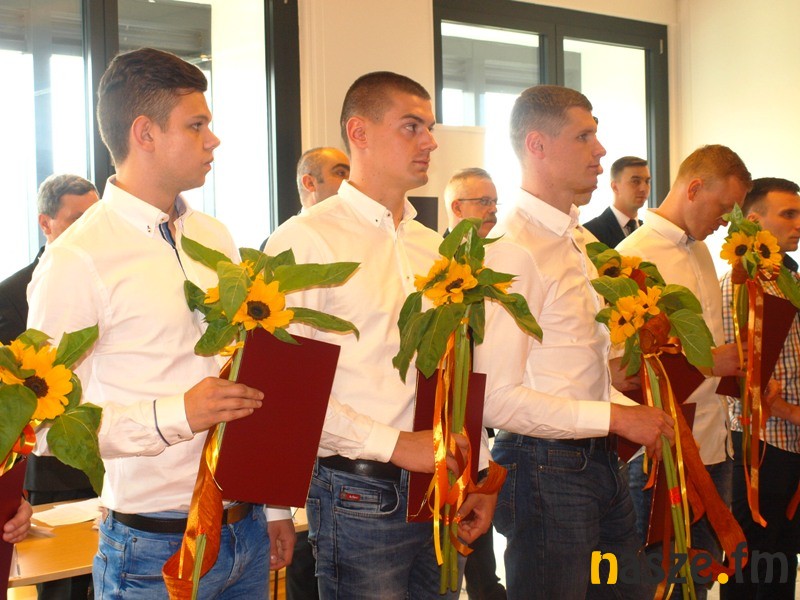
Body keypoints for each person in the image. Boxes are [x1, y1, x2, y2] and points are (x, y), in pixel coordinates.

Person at [27, 47, 294, 599]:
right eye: (196, 125)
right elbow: (49, 428)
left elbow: (243, 372)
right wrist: (177, 414)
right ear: (145, 133)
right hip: (153, 546)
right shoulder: (78, 259)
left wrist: (273, 507)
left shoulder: (215, 236)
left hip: (245, 527)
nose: (213, 140)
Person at [266, 71, 496, 599]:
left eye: (430, 128)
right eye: (411, 126)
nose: (430, 141)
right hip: (357, 491)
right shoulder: (306, 241)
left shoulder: (432, 246)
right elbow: (287, 392)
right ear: (360, 132)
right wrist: (396, 446)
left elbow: (457, 369)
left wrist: (479, 471)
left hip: (439, 488)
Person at [474, 84, 674, 600]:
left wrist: (629, 408)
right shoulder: (513, 249)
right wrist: (618, 418)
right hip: (543, 467)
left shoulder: (577, 240)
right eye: (583, 136)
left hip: (596, 460)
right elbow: (495, 399)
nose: (600, 150)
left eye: (596, 135)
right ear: (537, 145)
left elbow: (572, 369)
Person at [616, 144, 751, 599]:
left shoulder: (703, 252)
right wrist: (711, 361)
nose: (726, 222)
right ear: (693, 189)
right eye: (723, 208)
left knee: (701, 575)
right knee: (654, 582)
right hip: (661, 449)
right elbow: (626, 367)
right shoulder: (633, 256)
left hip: (714, 440)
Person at [0, 173, 98, 599]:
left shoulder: (110, 279)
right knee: (65, 591)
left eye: (95, 217)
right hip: (54, 468)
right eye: (77, 219)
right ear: (46, 223)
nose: (89, 229)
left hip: (115, 460)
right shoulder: (10, 294)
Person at [719, 177, 800, 600]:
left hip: (792, 438)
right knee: (753, 570)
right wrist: (779, 407)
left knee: (782, 563)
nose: (798, 224)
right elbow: (737, 371)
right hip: (761, 445)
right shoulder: (741, 283)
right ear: (753, 221)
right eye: (788, 214)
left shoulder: (787, 277)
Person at [259, 147, 349, 252]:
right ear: (310, 183)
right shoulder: (276, 245)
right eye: (341, 173)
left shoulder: (359, 233)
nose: (350, 181)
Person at [583, 156, 650, 247]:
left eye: (647, 181)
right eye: (635, 181)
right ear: (615, 187)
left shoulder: (649, 232)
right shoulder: (590, 232)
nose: (644, 188)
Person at [444, 168, 498, 238]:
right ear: (457, 209)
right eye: (484, 201)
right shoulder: (435, 245)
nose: (494, 209)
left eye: (495, 202)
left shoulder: (504, 244)